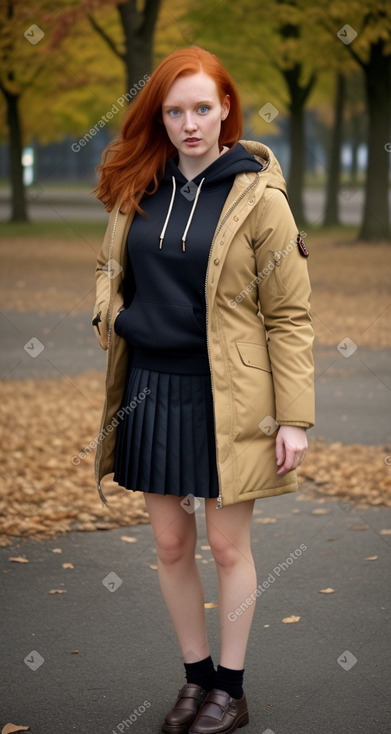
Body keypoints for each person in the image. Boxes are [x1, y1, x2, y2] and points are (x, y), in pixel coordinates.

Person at [92, 45, 314, 734]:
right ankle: (194, 682)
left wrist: (293, 418)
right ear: (159, 117)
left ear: (225, 111)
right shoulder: (140, 187)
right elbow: (108, 268)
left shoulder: (260, 197)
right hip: (151, 388)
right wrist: (111, 314)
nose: (190, 123)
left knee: (225, 547)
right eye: (174, 110)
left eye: (202, 108)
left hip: (231, 398)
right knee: (167, 544)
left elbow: (288, 315)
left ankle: (231, 689)